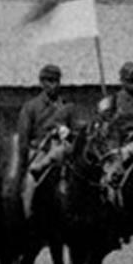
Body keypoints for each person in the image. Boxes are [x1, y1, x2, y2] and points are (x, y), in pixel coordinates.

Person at [17, 64, 77, 218]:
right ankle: (26, 217)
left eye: (56, 81)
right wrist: (24, 164)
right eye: (49, 81)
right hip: (40, 152)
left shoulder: (67, 107)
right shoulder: (31, 107)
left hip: (64, 151)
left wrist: (68, 132)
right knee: (29, 183)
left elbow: (76, 132)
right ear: (42, 83)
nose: (54, 85)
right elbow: (23, 139)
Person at [98, 61, 133, 189]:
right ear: (122, 80)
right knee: (113, 172)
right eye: (129, 79)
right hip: (123, 141)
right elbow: (109, 123)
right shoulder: (115, 100)